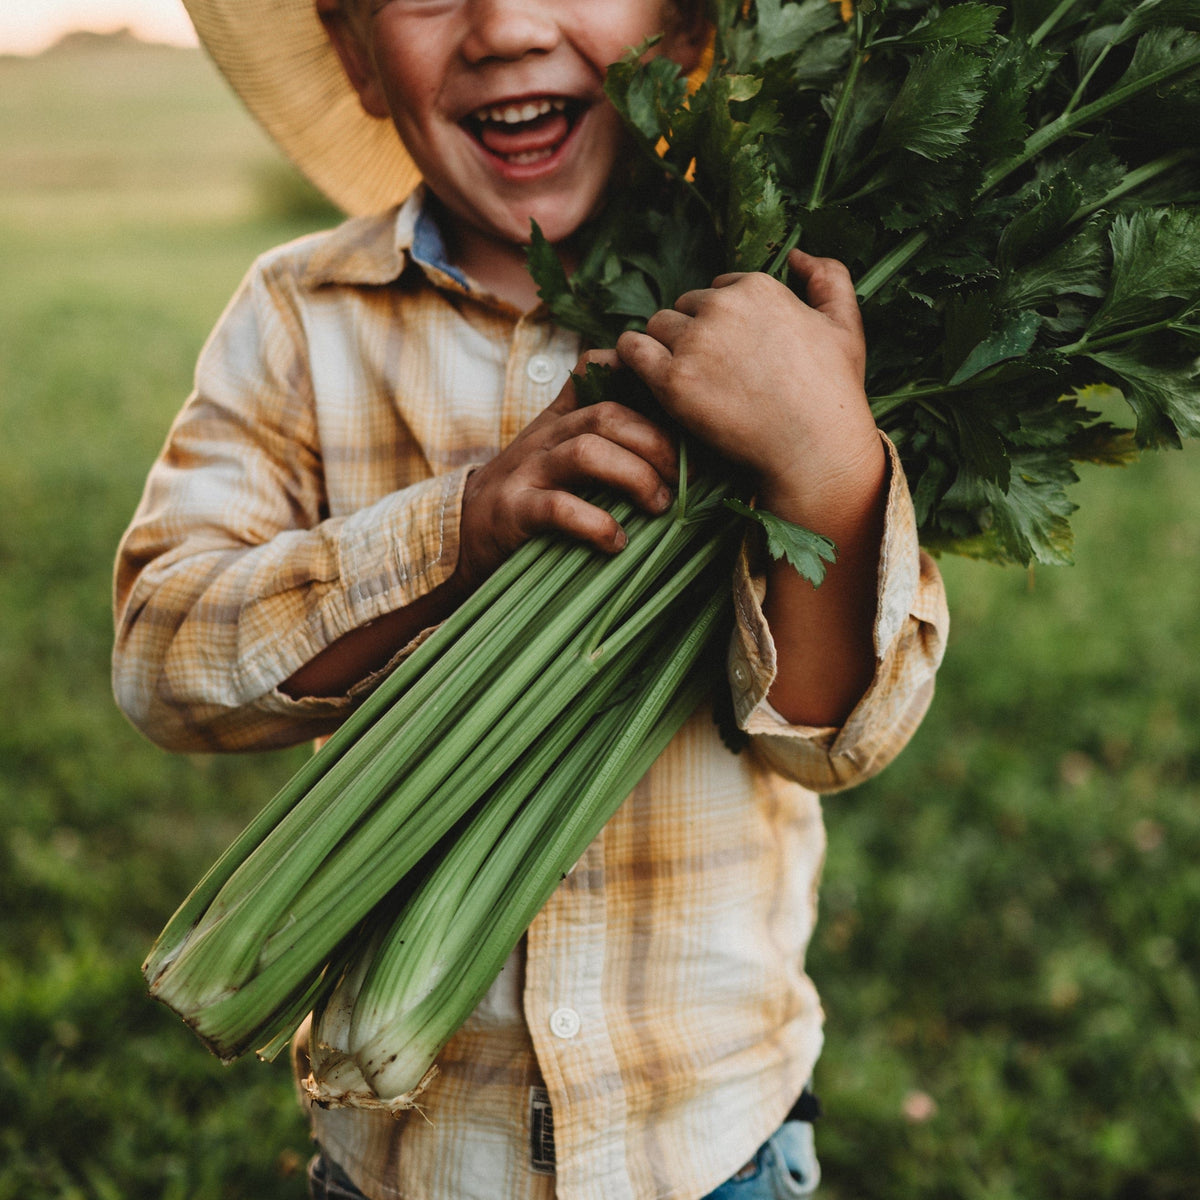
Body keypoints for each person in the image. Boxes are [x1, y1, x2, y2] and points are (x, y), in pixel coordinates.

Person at [113, 1, 949, 1197]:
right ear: (354, 53)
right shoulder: (301, 318)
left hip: (713, 1141)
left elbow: (837, 739)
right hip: (413, 1163)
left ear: (685, 28)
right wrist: (456, 535)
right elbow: (161, 659)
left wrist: (824, 468)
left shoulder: (791, 334)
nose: (504, 25)